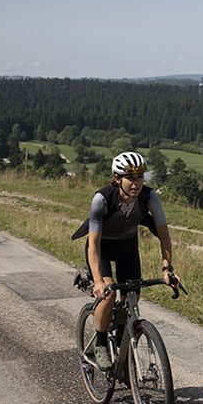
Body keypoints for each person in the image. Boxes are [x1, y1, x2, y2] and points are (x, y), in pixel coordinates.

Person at [77, 151, 180, 369]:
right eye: (130, 177)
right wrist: (97, 280)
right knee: (109, 294)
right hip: (102, 248)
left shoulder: (149, 198)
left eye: (140, 177)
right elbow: (93, 244)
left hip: (127, 246)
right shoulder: (102, 200)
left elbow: (164, 235)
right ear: (117, 178)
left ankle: (124, 332)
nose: (136, 183)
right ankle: (102, 343)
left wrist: (167, 268)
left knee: (134, 293)